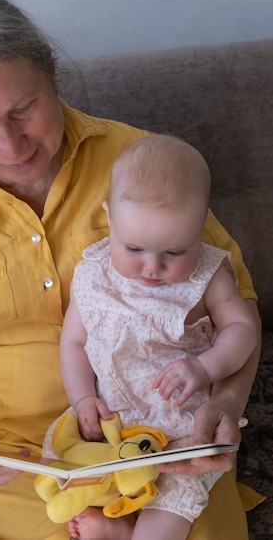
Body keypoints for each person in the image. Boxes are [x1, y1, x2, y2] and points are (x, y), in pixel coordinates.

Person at [0, 0, 261, 540]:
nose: (11, 145)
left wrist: (222, 404)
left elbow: (237, 311)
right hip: (18, 453)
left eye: (22, 110)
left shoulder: (145, 167)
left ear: (52, 79)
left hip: (163, 435)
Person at [58, 135, 258, 540]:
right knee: (82, 482)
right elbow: (74, 344)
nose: (152, 267)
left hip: (184, 429)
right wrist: (82, 399)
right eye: (133, 247)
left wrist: (205, 366)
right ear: (109, 217)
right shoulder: (93, 273)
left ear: (200, 228)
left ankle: (134, 532)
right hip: (115, 426)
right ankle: (120, 524)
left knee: (171, 504)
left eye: (174, 252)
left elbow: (244, 329)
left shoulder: (208, 275)